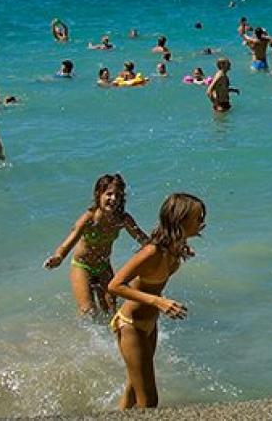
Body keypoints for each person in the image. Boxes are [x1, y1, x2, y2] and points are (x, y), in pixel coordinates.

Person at [107, 192, 206, 410]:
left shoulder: (175, 246)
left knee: (133, 390)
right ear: (180, 219)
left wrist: (183, 246)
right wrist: (158, 302)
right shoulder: (152, 251)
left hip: (149, 324)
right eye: (198, 218)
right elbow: (114, 285)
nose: (202, 222)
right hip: (131, 325)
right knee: (149, 401)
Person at [43, 173, 149, 317]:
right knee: (89, 312)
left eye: (117, 195)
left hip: (104, 267)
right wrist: (58, 257)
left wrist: (166, 248)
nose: (113, 199)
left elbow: (143, 240)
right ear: (99, 194)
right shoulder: (89, 218)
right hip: (82, 266)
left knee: (112, 311)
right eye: (109, 194)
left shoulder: (122, 219)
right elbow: (69, 242)